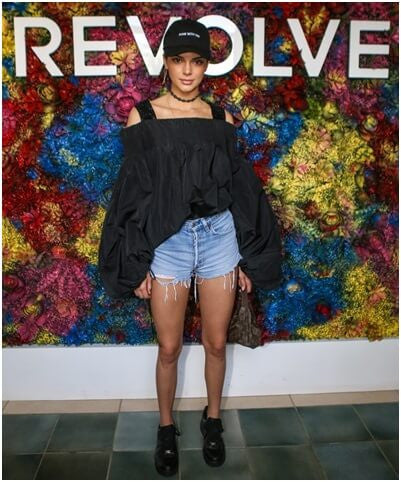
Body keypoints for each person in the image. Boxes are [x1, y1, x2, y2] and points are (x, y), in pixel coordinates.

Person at [98, 18, 282, 477]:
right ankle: (166, 428)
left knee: (216, 342)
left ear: (206, 66)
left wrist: (246, 256)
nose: (186, 71)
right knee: (169, 347)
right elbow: (132, 195)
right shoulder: (144, 117)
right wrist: (137, 261)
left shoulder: (221, 120)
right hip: (168, 244)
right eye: (178, 60)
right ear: (166, 63)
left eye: (196, 61)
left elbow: (241, 193)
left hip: (219, 238)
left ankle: (212, 420)